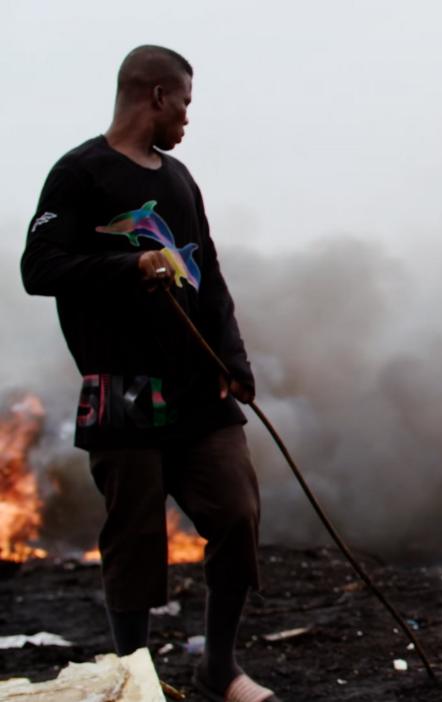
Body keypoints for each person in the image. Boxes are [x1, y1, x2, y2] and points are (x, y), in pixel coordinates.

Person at [21, 45, 280, 702]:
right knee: (135, 540)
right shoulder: (79, 174)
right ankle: (135, 680)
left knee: (238, 514)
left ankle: (219, 668)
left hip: (199, 390)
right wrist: (128, 268)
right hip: (121, 391)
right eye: (185, 104)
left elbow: (209, 276)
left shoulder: (180, 179)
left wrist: (236, 363)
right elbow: (38, 269)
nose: (188, 120)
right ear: (157, 95)